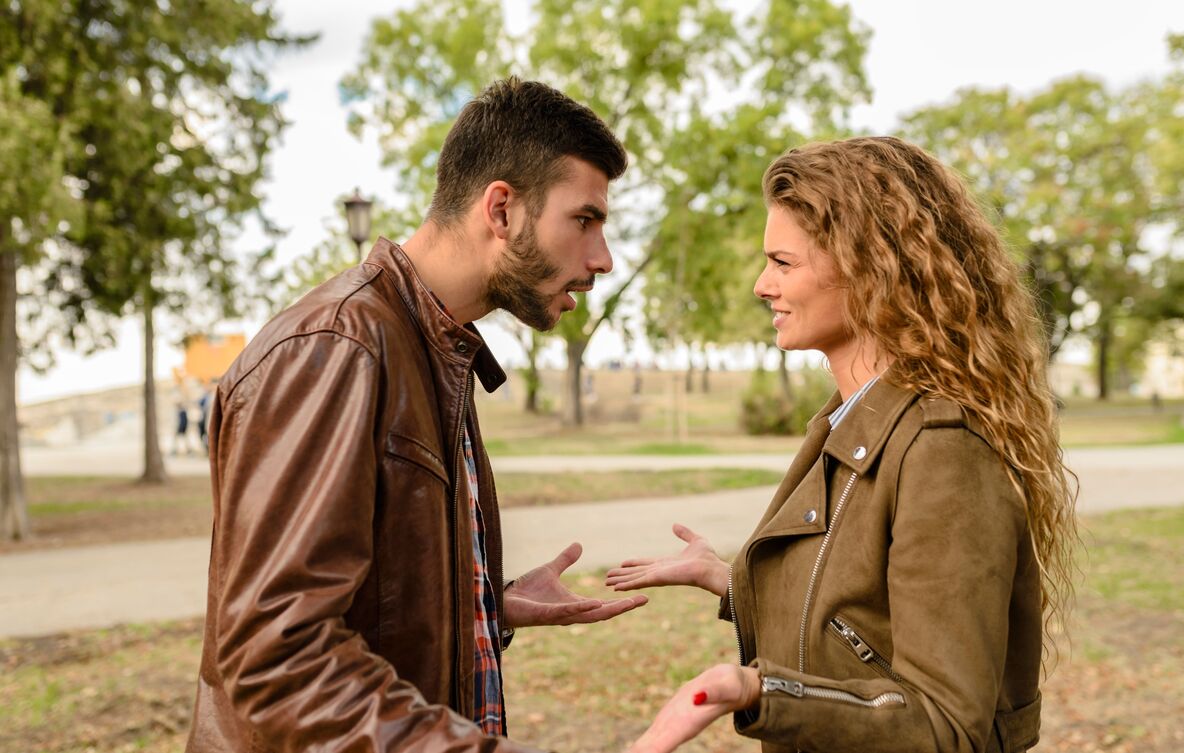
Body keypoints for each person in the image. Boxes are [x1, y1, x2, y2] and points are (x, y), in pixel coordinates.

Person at [185, 77, 649, 752]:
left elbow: (368, 604)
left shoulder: (434, 347)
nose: (602, 259)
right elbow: (276, 657)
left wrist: (487, 606)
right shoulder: (337, 348)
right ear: (501, 210)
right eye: (584, 220)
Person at [609, 137, 1078, 753]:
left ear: (868, 267)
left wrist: (757, 693)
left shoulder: (944, 447)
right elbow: (856, 623)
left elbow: (946, 724)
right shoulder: (849, 421)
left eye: (783, 263)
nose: (760, 285)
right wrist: (730, 582)